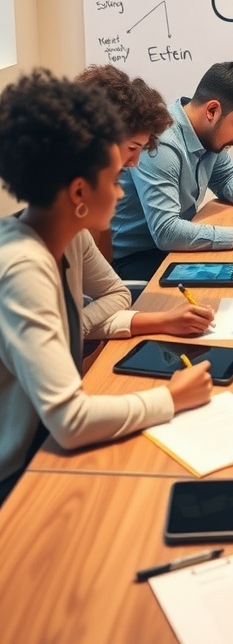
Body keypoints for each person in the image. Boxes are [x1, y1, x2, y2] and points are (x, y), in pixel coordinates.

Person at [0, 70, 213, 504]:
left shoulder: (66, 233)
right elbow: (71, 421)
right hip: (18, 473)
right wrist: (169, 398)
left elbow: (113, 295)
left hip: (42, 448)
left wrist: (76, 329)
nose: (119, 194)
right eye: (114, 181)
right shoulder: (23, 268)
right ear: (80, 190)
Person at [111, 61, 233, 282]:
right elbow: (166, 232)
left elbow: (226, 174)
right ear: (212, 111)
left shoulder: (206, 135)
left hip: (174, 245)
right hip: (140, 259)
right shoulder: (161, 144)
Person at [75, 64, 215, 337]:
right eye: (131, 149)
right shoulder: (34, 246)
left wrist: (164, 321)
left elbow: (116, 294)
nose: (135, 163)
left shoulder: (73, 231)